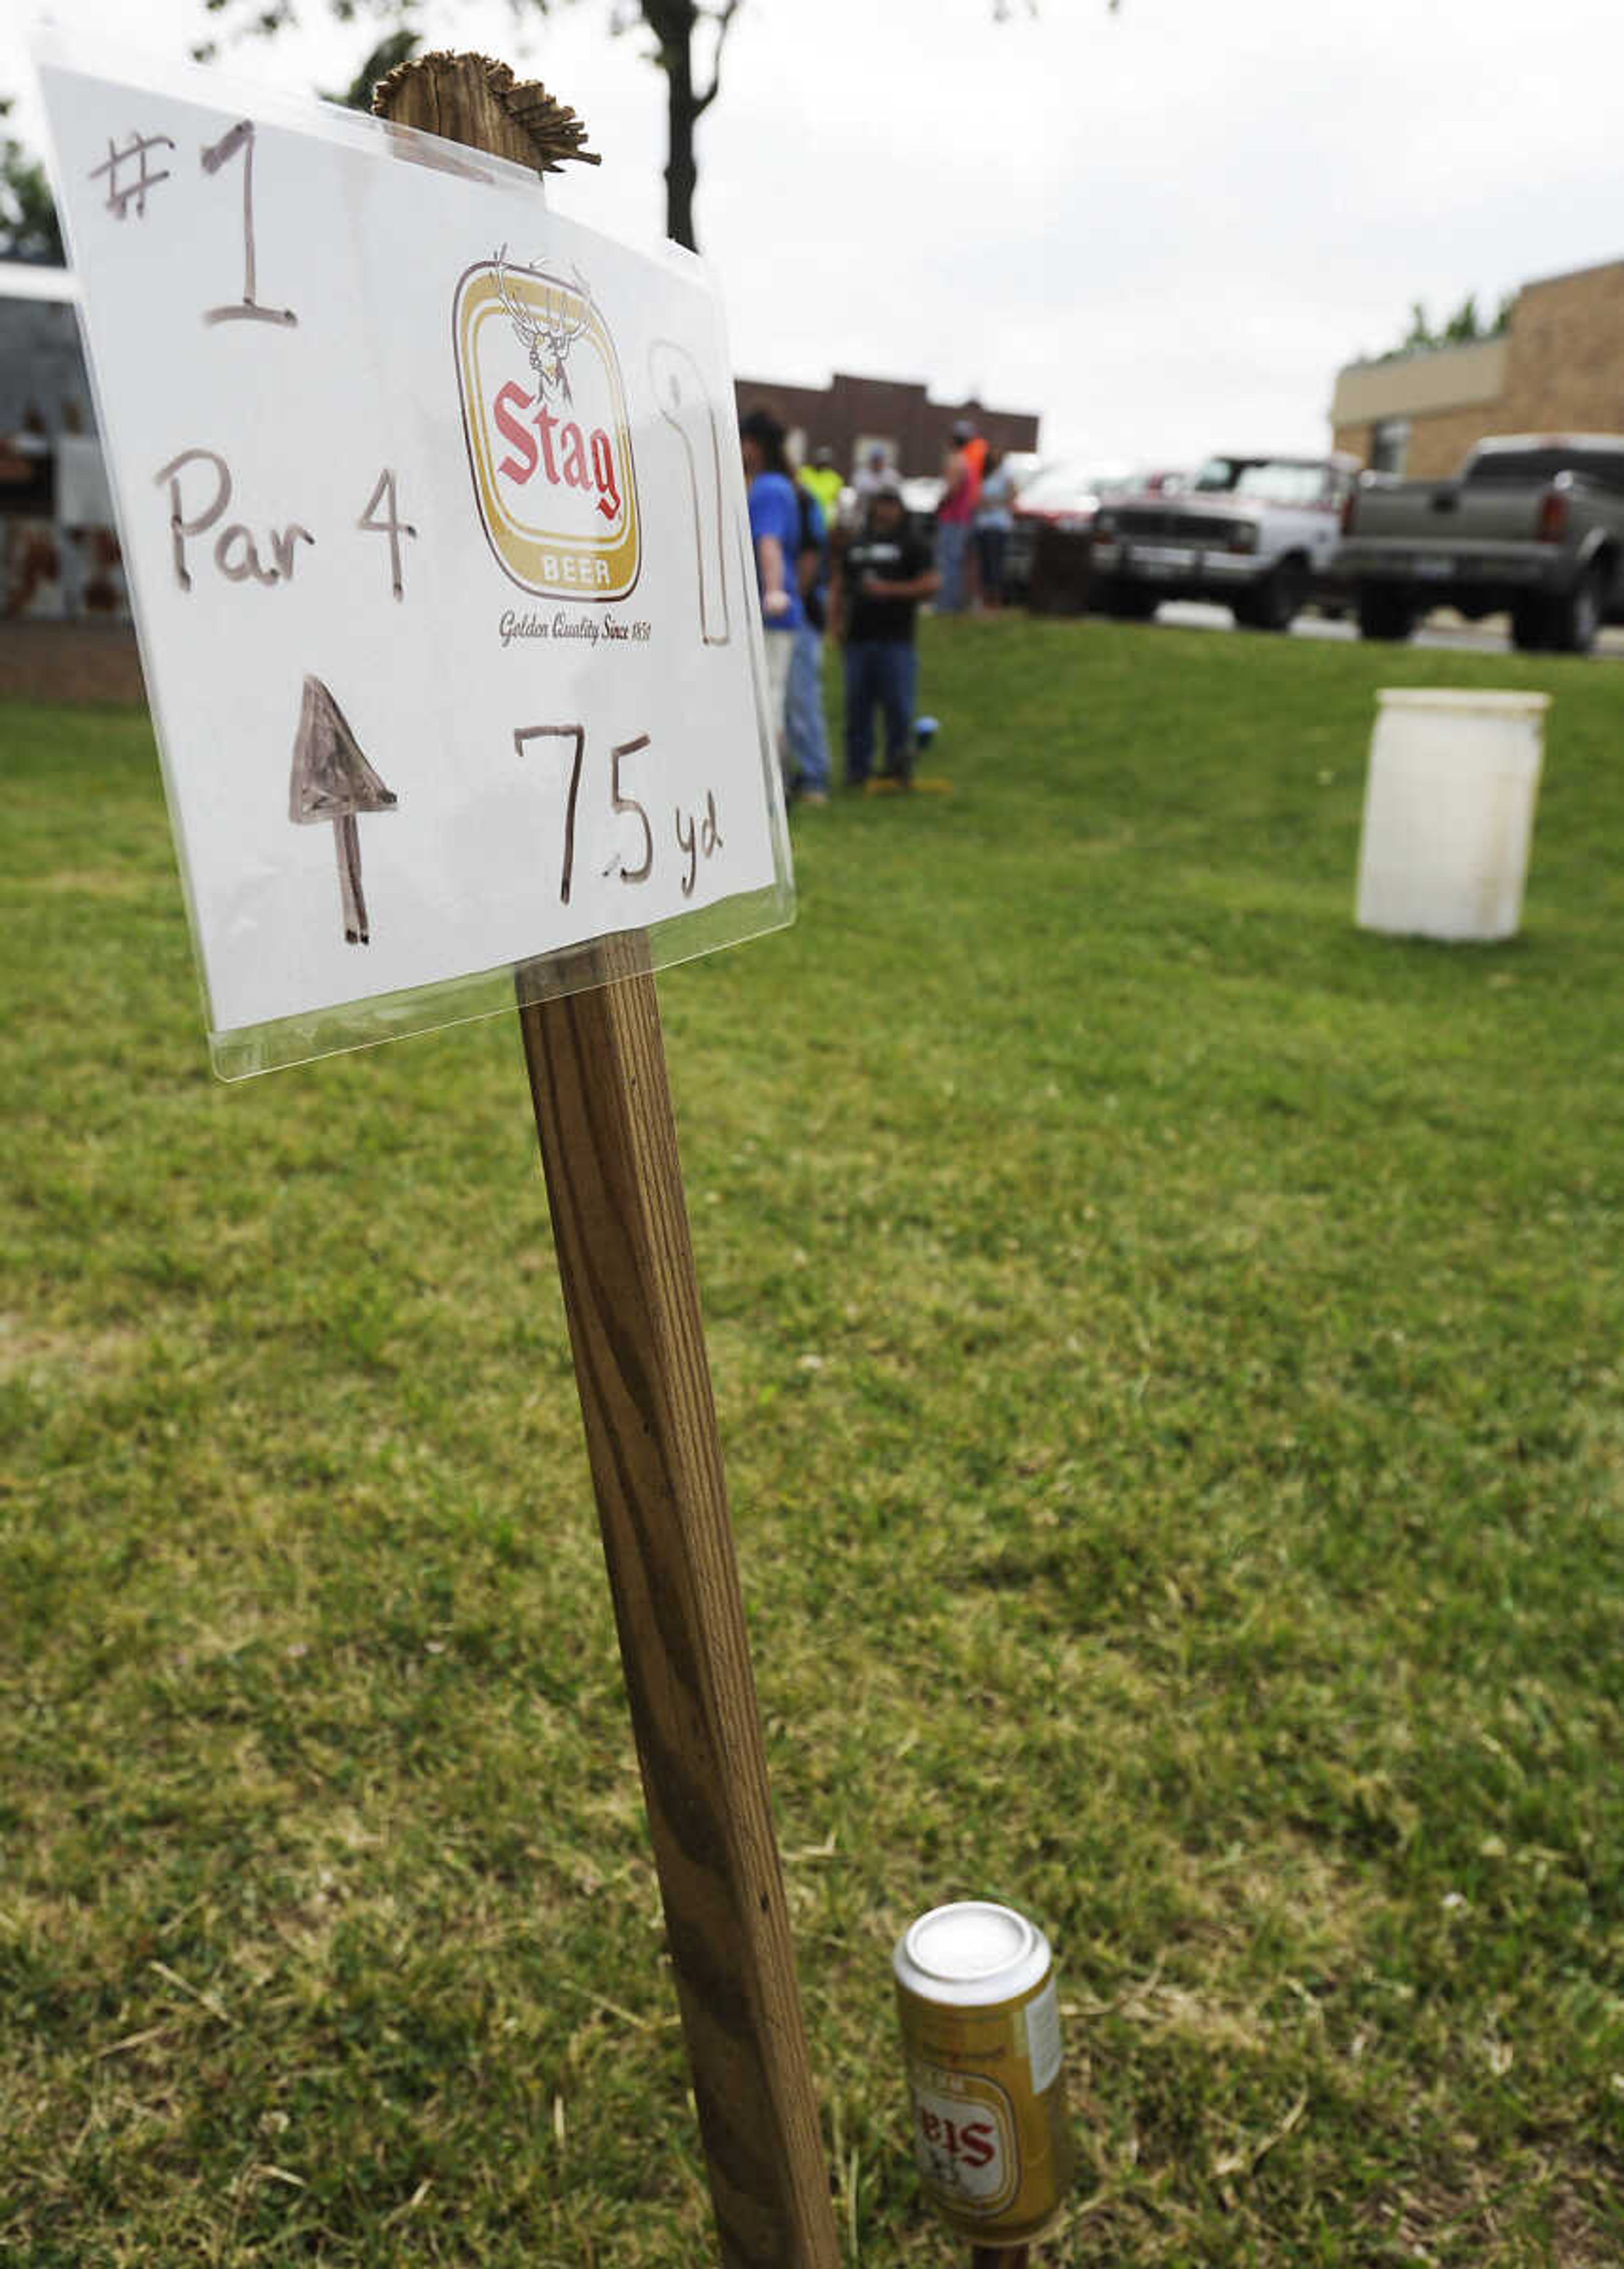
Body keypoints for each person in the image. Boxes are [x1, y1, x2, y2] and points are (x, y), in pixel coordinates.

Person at [828, 479, 941, 791]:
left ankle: (897, 768)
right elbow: (839, 584)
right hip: (859, 639)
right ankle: (857, 771)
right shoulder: (858, 543)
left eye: (892, 503)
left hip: (896, 640)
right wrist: (835, 622)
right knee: (857, 709)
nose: (886, 509)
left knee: (898, 707)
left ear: (900, 507)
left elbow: (932, 583)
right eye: (882, 503)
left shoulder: (912, 543)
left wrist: (891, 590)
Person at [739, 407, 803, 793]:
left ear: (757, 446)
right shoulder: (776, 486)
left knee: (767, 699)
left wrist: (773, 591)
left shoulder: (768, 488)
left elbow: (769, 543)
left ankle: (773, 787)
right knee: (767, 697)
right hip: (773, 611)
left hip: (770, 614)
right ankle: (773, 785)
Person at [784, 473, 832, 804]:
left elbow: (813, 554)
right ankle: (789, 777)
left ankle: (815, 775)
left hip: (799, 617)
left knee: (802, 700)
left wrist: (795, 598)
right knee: (782, 704)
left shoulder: (802, 500)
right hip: (781, 614)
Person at [934, 419, 980, 614]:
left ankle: (946, 606)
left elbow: (951, 489)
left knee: (947, 562)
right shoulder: (967, 462)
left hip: (952, 519)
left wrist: (938, 505)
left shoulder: (955, 460)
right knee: (955, 561)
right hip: (962, 519)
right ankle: (953, 604)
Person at [974, 447, 1016, 610]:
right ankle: (984, 600)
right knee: (984, 565)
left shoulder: (1006, 474)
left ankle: (995, 601)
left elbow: (1012, 495)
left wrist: (993, 503)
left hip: (998, 526)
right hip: (983, 525)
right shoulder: (985, 474)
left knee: (995, 565)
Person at [800, 445, 844, 531]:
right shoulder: (804, 473)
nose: (823, 465)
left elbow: (838, 503)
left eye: (825, 463)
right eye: (821, 462)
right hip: (805, 520)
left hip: (826, 524)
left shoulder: (835, 479)